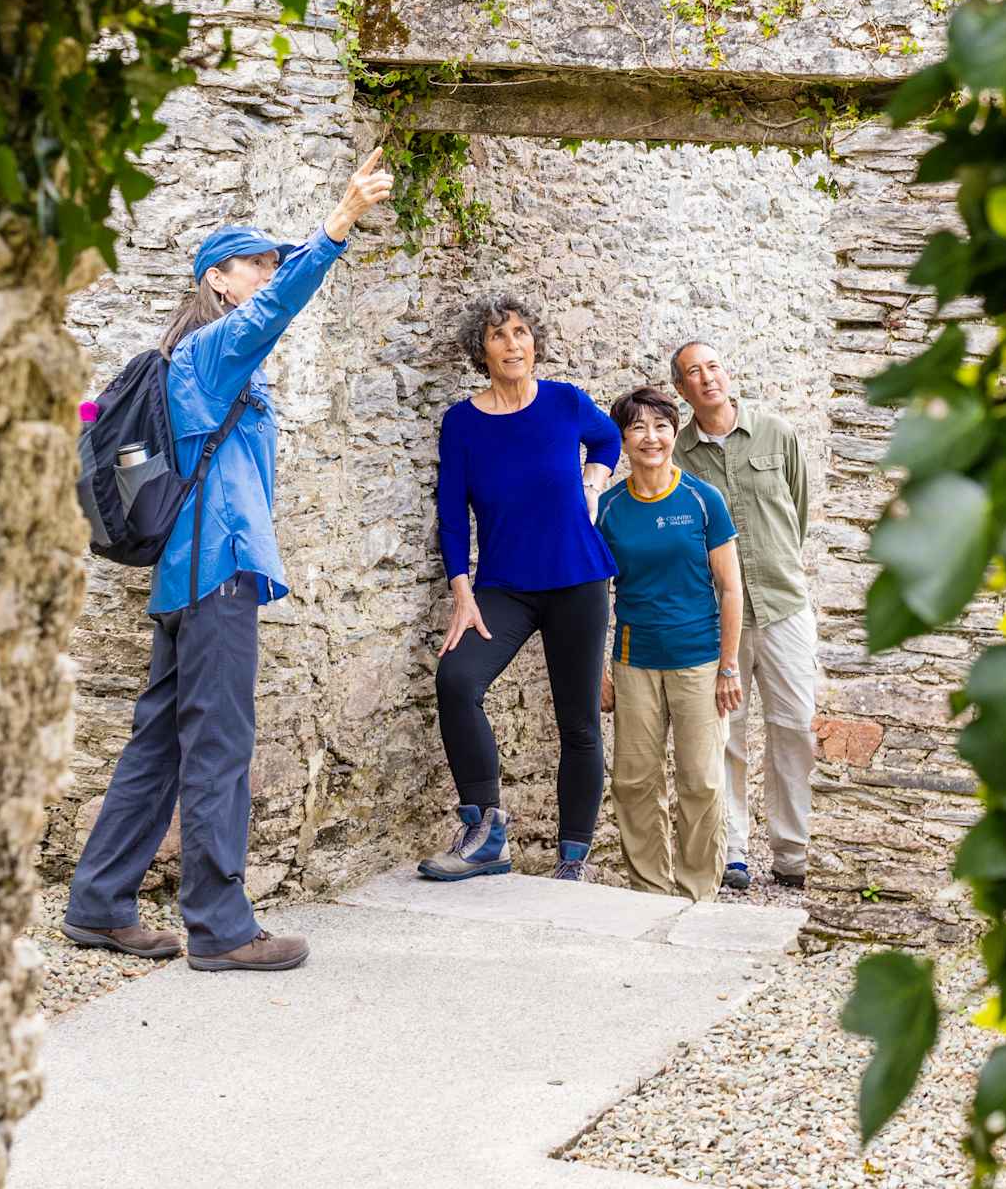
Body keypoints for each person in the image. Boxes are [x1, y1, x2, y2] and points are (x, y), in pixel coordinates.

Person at [63, 146, 393, 973]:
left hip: (189, 574)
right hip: (215, 575)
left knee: (160, 743)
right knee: (219, 744)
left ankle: (98, 902)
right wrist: (336, 226)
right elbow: (277, 308)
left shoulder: (204, 364)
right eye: (255, 263)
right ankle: (218, 923)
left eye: (271, 261)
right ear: (219, 280)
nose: (267, 271)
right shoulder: (210, 352)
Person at [420, 292, 622, 885]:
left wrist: (593, 479)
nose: (513, 345)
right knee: (457, 680)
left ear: (535, 342)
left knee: (578, 721)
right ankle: (486, 832)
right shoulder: (461, 422)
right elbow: (452, 512)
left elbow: (607, 438)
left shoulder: (564, 401)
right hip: (504, 586)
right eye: (499, 336)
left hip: (579, 578)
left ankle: (572, 860)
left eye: (520, 333)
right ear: (480, 352)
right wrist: (462, 590)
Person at [671, 341, 816, 894]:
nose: (706, 379)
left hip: (783, 607)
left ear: (726, 375)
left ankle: (792, 850)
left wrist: (778, 568)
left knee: (795, 727)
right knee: (725, 735)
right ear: (683, 390)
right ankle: (733, 852)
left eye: (713, 366)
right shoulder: (680, 458)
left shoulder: (776, 432)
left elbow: (796, 510)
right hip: (719, 618)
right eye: (693, 373)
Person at [597, 389, 743, 902]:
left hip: (700, 661)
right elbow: (594, 595)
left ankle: (697, 891)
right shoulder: (609, 508)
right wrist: (599, 670)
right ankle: (650, 890)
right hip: (635, 662)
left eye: (660, 426)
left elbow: (730, 587)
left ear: (673, 432)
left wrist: (730, 667)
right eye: (637, 428)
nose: (650, 438)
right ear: (623, 440)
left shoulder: (704, 499)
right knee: (634, 782)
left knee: (701, 781)